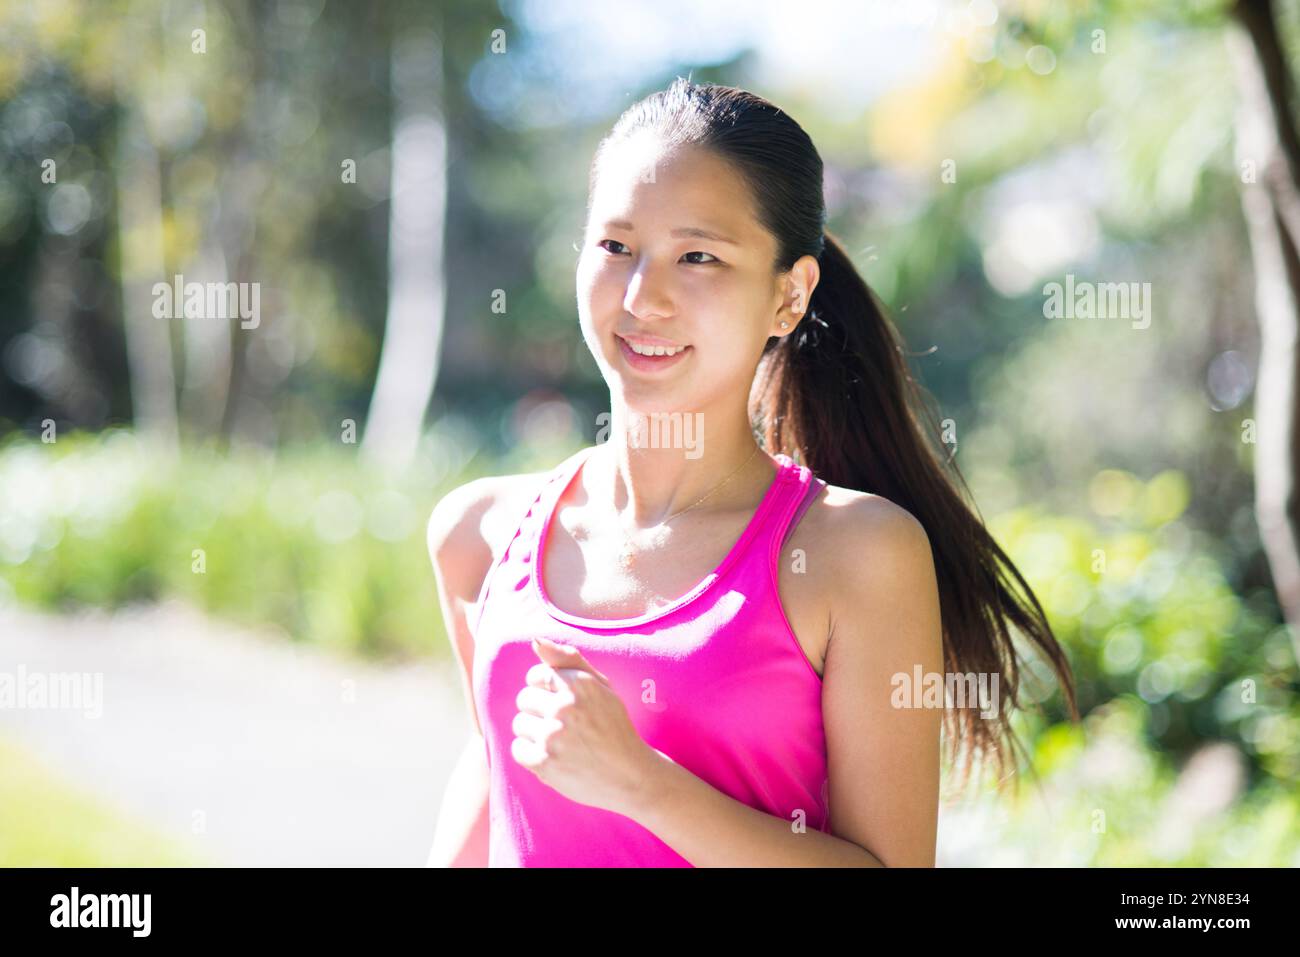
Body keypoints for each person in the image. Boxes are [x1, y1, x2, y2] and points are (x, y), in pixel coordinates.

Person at [425, 78, 1078, 867]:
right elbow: (494, 785)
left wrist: (643, 785)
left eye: (698, 256)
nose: (642, 297)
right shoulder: (480, 534)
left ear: (789, 296)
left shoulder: (858, 553)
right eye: (615, 246)